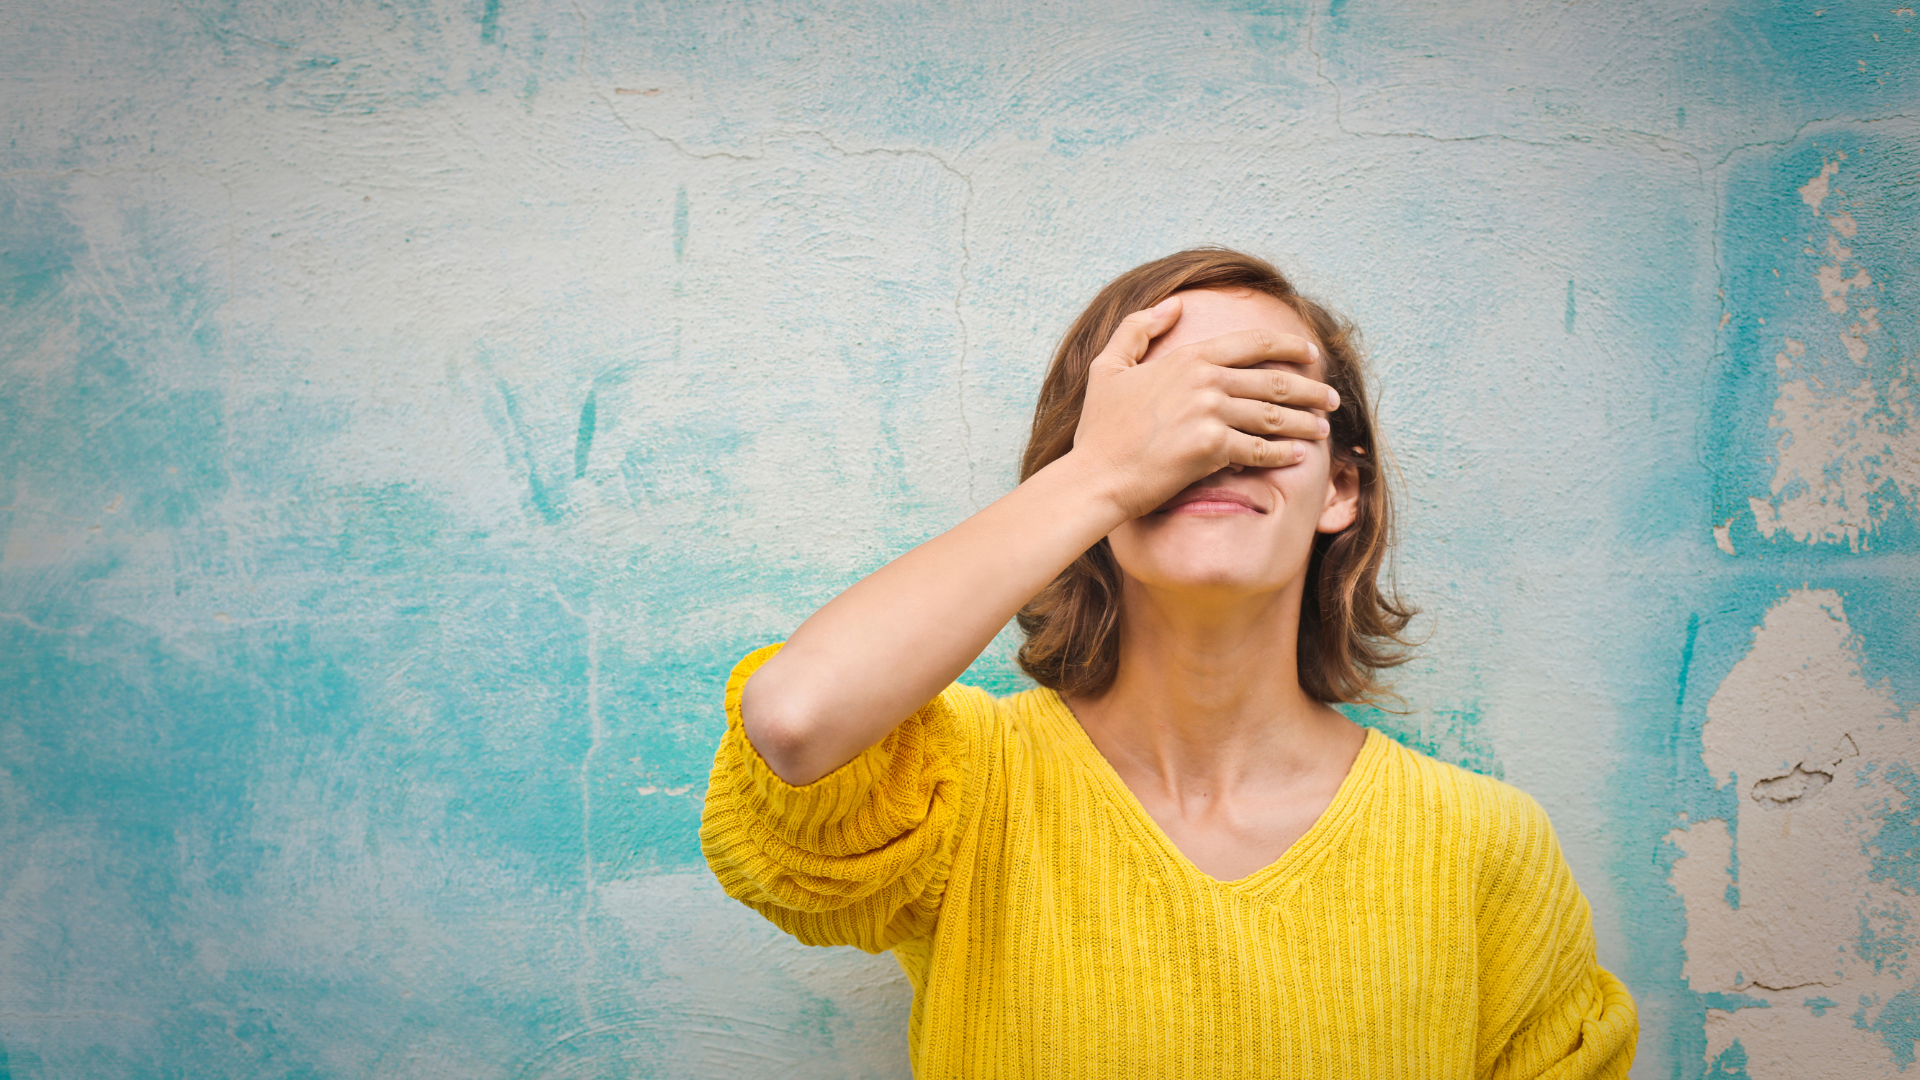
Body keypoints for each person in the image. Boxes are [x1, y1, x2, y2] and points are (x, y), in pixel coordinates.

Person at [700, 248, 1638, 1077]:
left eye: (1265, 402)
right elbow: (796, 719)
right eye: (1166, 409)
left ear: (1338, 488)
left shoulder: (1483, 845)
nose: (1213, 443)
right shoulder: (964, 784)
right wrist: (1105, 474)